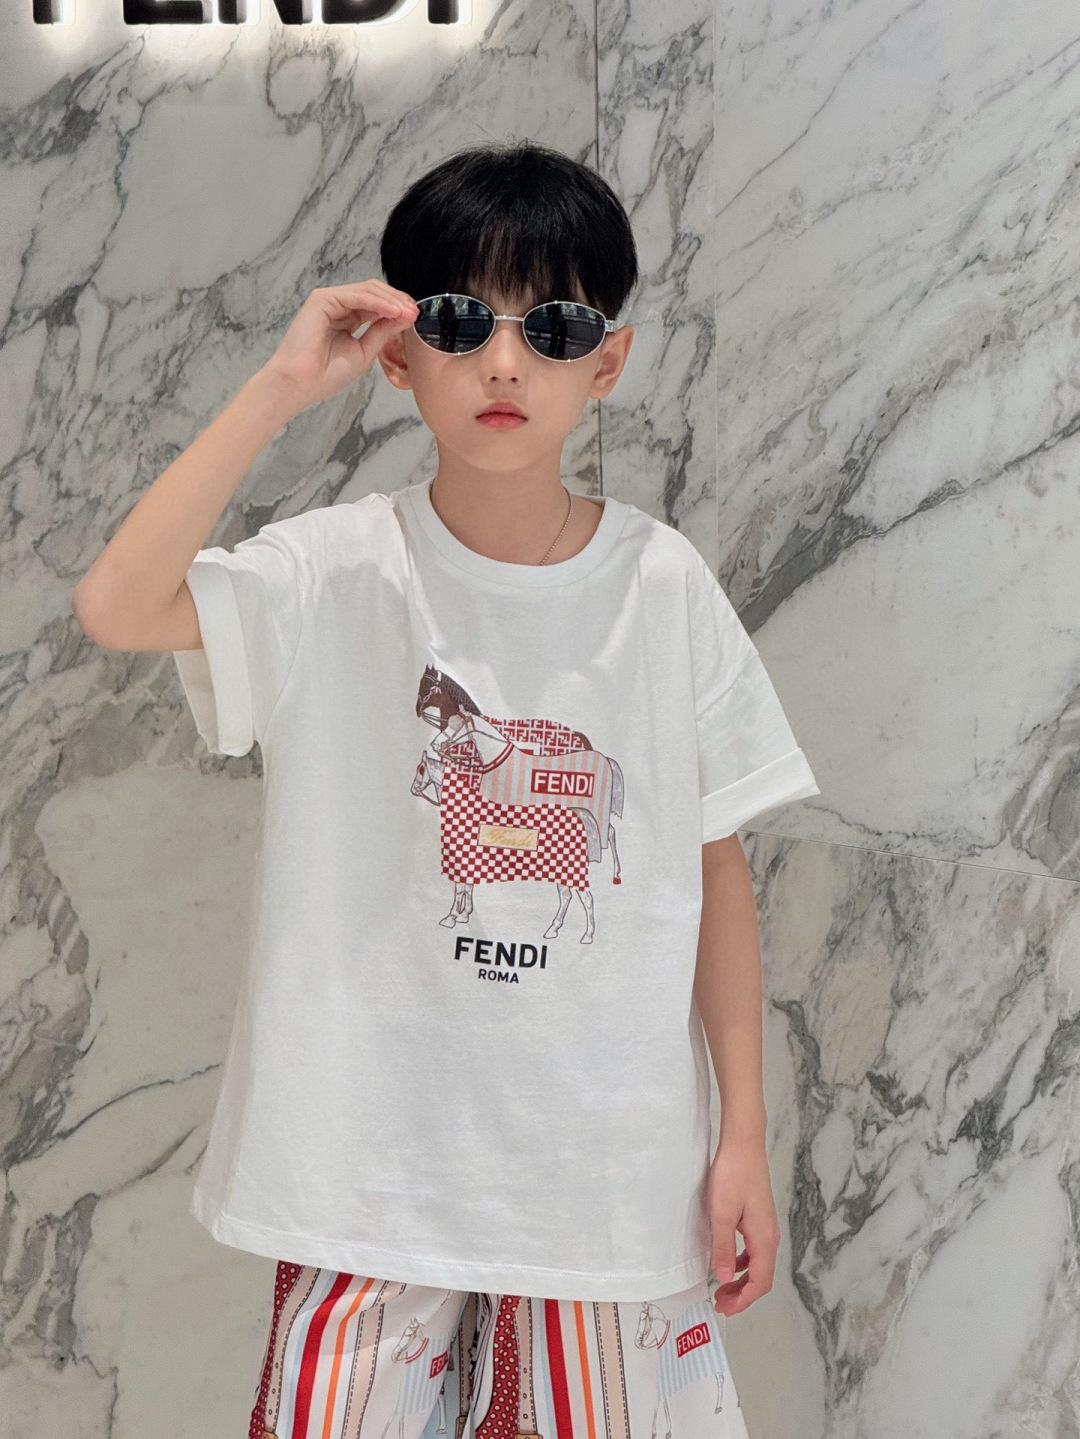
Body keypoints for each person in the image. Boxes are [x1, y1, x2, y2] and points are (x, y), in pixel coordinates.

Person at [71, 141, 820, 1439]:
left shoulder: (661, 587)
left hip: (604, 1176)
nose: (506, 363)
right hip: (370, 1173)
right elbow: (117, 607)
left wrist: (742, 1137)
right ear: (400, 354)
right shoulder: (333, 572)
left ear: (609, 360)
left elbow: (713, 867)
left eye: (555, 326)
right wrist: (278, 390)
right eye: (465, 321)